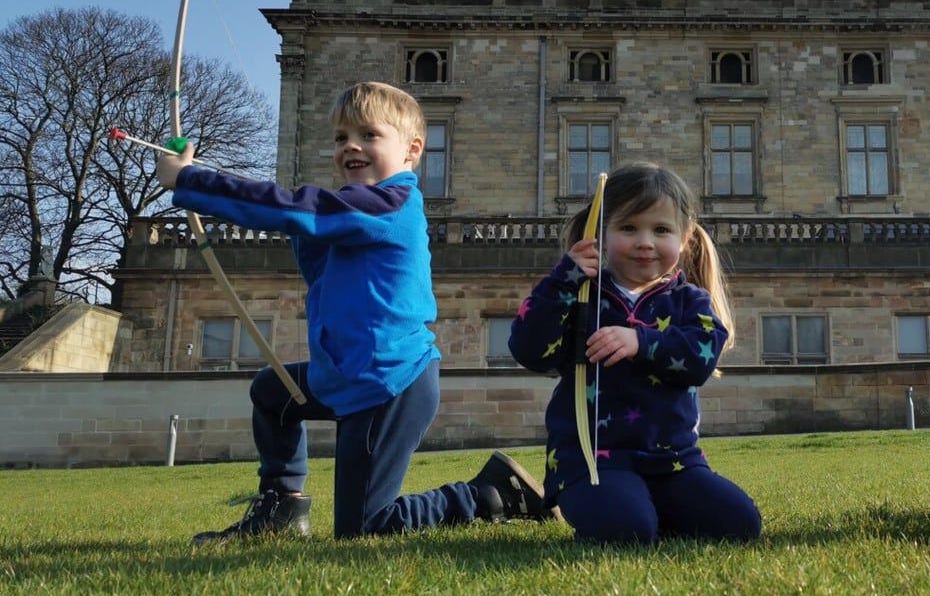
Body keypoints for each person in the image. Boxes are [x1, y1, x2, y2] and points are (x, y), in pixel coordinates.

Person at [156, 80, 550, 542]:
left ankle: (488, 494)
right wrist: (296, 223)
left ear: (412, 151)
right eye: (341, 138)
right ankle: (281, 509)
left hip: (387, 387)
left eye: (369, 135)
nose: (351, 147)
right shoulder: (356, 212)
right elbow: (314, 241)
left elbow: (300, 208)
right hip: (346, 374)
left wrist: (189, 181)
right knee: (273, 391)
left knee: (365, 527)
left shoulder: (390, 203)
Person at [508, 163, 762, 545]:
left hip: (674, 463)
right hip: (593, 463)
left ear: (685, 238)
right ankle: (621, 507)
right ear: (601, 236)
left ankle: (652, 506)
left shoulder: (690, 301)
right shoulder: (580, 297)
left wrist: (640, 342)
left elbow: (700, 357)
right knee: (625, 531)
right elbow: (529, 349)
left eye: (661, 230)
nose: (645, 241)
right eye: (629, 228)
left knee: (740, 523)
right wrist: (563, 279)